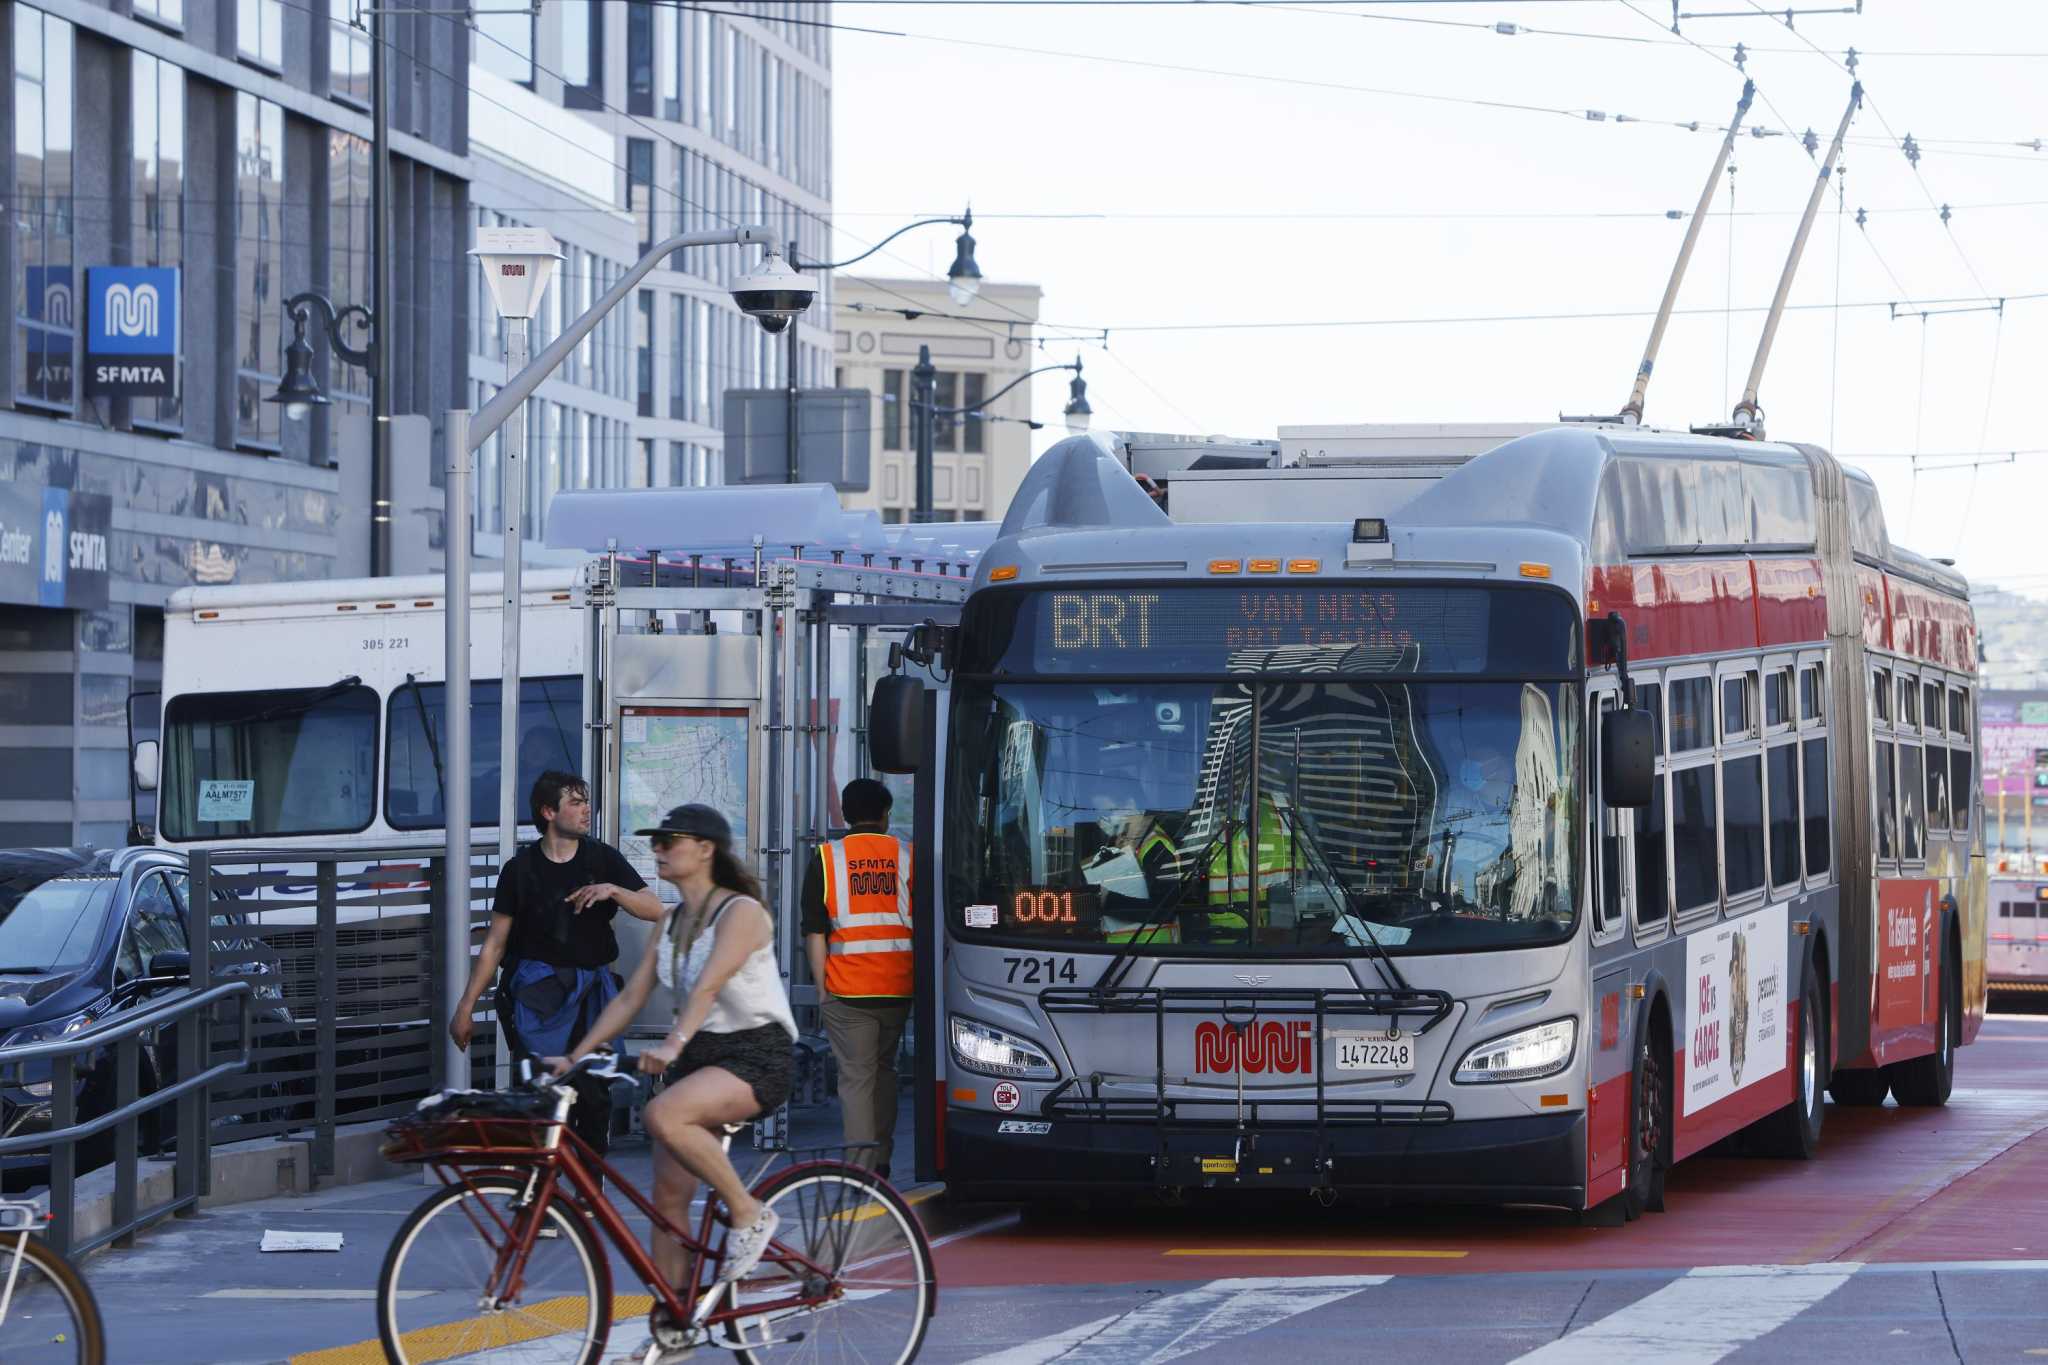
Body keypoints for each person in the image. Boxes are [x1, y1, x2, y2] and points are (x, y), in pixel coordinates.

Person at [551, 803, 796, 1294]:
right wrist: (574, 1057)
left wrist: (671, 1043)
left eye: (670, 841)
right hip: (698, 1059)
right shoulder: (671, 922)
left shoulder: (742, 911)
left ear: (705, 850)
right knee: (667, 1200)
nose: (658, 849)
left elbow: (708, 985)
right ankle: (674, 1317)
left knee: (662, 1114)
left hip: (754, 1055)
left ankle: (749, 1214)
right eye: (656, 842)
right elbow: (629, 997)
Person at [449, 771, 663, 1086]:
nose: (586, 810)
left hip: (592, 998)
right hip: (538, 1000)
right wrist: (465, 1008)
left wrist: (614, 890)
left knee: (592, 1098)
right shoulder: (519, 870)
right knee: (540, 1095)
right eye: (576, 803)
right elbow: (495, 944)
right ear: (548, 812)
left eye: (586, 802)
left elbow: (655, 909)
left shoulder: (603, 859)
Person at [802, 779, 912, 1176]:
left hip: (847, 990)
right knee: (884, 1072)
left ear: (845, 816)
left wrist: (821, 988)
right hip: (899, 987)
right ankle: (883, 1155)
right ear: (885, 815)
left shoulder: (827, 859)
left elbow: (814, 931)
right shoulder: (906, 856)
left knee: (856, 1080)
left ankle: (864, 1170)